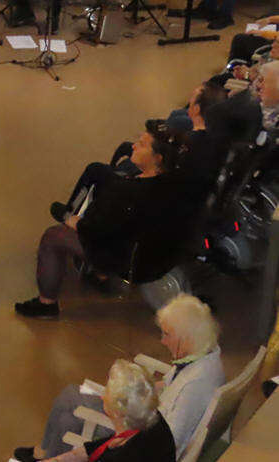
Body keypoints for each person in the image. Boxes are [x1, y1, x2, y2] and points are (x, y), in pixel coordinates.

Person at [14, 294, 223, 462]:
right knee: (68, 415)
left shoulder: (195, 385)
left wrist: (134, 401)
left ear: (186, 339)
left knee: (70, 396)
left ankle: (43, 453)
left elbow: (172, 438)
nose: (163, 341)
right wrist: (139, 388)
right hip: (146, 412)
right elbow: (169, 386)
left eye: (167, 334)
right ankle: (46, 453)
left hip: (140, 423)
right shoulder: (203, 356)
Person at [14, 123, 187, 319]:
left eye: (142, 144)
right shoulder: (177, 182)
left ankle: (46, 304)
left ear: (157, 158)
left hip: (133, 261)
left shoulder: (129, 191)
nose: (133, 146)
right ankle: (98, 273)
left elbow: (93, 229)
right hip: (162, 255)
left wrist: (73, 221)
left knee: (53, 237)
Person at [34, 360, 176, 462]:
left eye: (106, 393)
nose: (102, 396)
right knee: (67, 420)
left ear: (118, 412)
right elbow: (101, 446)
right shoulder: (151, 419)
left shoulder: (126, 455)